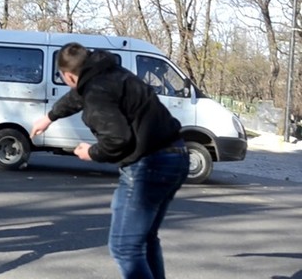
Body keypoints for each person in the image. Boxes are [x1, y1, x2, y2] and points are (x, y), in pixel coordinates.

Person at [30, 43, 189, 279]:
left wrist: (91, 153)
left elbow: (117, 139)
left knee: (124, 247)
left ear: (68, 75)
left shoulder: (95, 93)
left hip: (149, 165)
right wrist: (50, 117)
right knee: (144, 239)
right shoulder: (109, 73)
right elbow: (78, 95)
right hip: (177, 155)